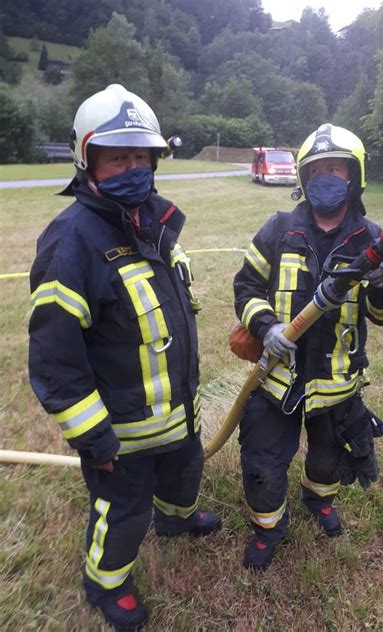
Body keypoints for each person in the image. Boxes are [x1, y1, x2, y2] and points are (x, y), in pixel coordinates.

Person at [28, 83, 221, 630]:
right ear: (86, 159)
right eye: (119, 157)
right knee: (124, 512)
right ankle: (105, 582)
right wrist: (95, 439)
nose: (134, 168)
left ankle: (178, 520)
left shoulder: (156, 222)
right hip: (122, 438)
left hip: (178, 417)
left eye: (143, 156)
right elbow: (54, 360)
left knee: (186, 475)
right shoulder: (71, 242)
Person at [233, 123, 383, 571]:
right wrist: (266, 324)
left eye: (337, 168)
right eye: (318, 170)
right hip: (277, 383)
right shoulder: (277, 230)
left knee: (328, 457)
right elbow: (246, 287)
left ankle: (319, 499)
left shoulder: (372, 240)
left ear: (354, 177)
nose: (327, 177)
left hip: (337, 387)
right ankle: (269, 527)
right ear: (304, 178)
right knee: (262, 465)